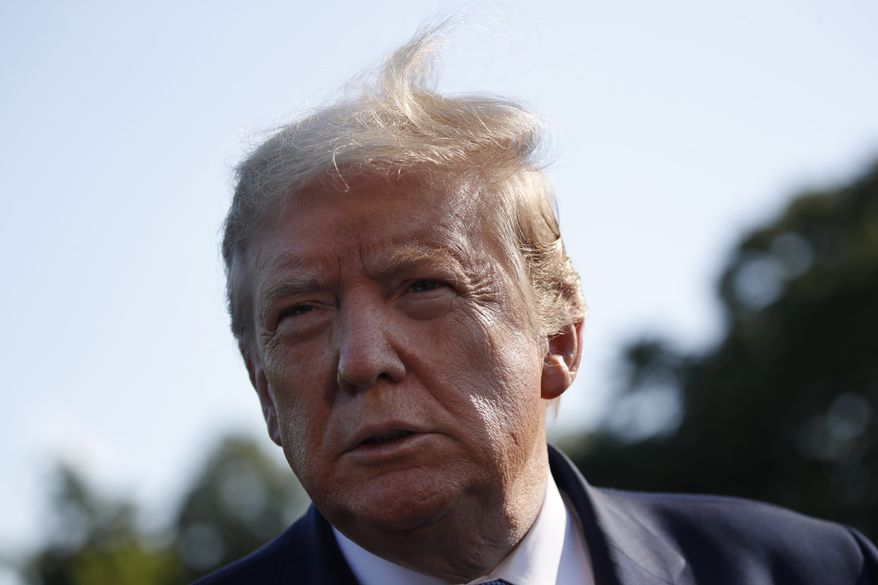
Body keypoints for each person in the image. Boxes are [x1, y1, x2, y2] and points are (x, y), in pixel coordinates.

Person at [196, 27, 877, 585]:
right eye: (302, 312)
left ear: (559, 342)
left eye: (424, 286)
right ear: (265, 395)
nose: (363, 359)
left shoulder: (814, 570)